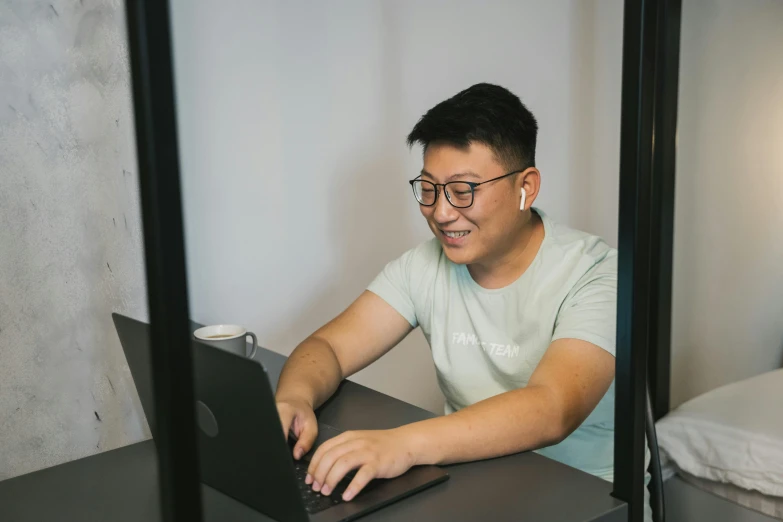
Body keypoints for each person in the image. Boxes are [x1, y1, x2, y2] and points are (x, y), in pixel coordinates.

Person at [275, 83, 644, 516]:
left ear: (526, 187)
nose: (442, 212)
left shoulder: (597, 274)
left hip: (585, 500)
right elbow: (330, 347)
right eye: (428, 189)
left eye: (463, 190)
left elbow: (553, 408)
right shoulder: (424, 266)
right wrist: (294, 397)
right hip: (471, 484)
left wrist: (404, 444)